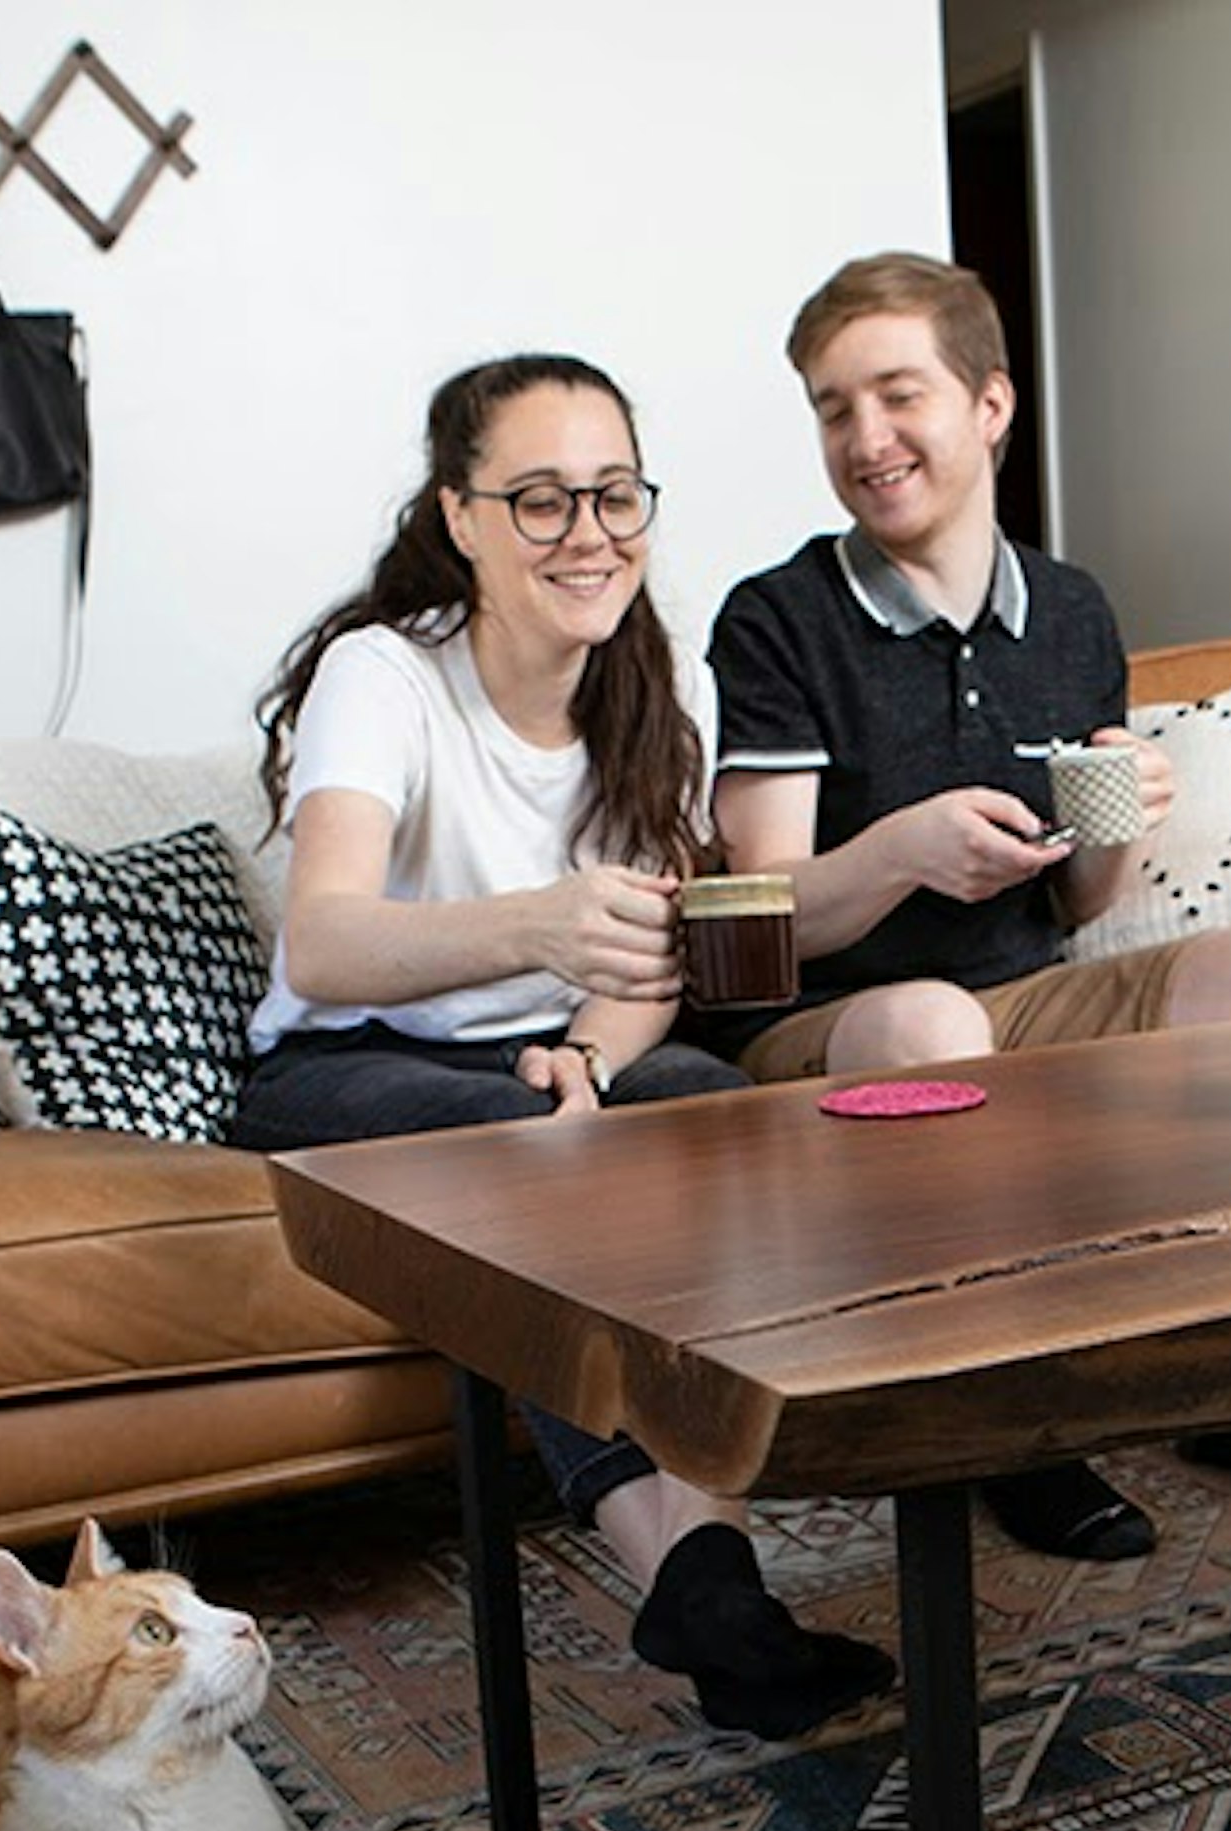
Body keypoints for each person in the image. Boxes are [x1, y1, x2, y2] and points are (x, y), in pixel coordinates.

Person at [231, 352, 891, 1740]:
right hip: (353, 1055)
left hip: (539, 1052)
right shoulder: (385, 676)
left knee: (709, 1111)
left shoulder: (646, 692)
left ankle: (713, 1594)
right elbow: (325, 944)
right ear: (460, 515)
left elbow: (646, 964)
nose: (588, 534)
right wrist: (538, 929)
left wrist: (590, 1053)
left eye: (614, 495)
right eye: (539, 500)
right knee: (532, 1174)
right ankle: (705, 1582)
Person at [701, 252, 1231, 1565]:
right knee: (939, 1024)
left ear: (990, 406)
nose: (865, 439)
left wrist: (1122, 816)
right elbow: (759, 918)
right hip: (829, 1021)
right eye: (834, 409)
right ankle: (1017, 1426)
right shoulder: (779, 618)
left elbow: (1080, 899)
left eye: (897, 396)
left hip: (1025, 987)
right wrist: (899, 849)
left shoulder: (1068, 611)